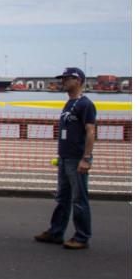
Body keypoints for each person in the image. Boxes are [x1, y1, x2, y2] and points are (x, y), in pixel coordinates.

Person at [35, 67, 97, 250]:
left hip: (76, 158)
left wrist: (86, 158)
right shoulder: (69, 104)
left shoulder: (86, 104)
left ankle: (82, 236)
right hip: (64, 158)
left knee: (79, 199)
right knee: (62, 198)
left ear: (78, 80)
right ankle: (56, 232)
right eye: (63, 78)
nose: (63, 81)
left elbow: (90, 131)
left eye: (67, 78)